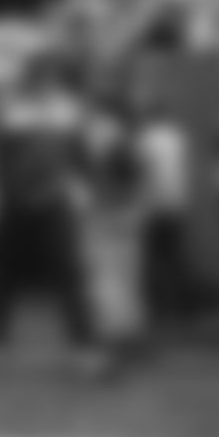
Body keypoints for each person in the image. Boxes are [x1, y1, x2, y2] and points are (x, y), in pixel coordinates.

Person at [0, 56, 96, 365]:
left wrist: (83, 185)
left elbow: (80, 152)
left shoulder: (68, 108)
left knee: (70, 271)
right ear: (29, 79)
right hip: (12, 199)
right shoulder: (10, 107)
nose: (44, 83)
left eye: (49, 78)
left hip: (54, 199)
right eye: (38, 77)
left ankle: (84, 346)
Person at [75, 103, 148, 376]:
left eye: (100, 127)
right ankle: (118, 347)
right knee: (114, 286)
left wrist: (128, 211)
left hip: (110, 221)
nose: (94, 133)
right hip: (108, 221)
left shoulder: (119, 153)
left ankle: (110, 352)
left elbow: (133, 187)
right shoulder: (115, 152)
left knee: (109, 287)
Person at [135, 99, 193, 331]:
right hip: (176, 203)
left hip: (153, 206)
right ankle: (179, 306)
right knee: (174, 256)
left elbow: (142, 173)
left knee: (153, 259)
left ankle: (159, 308)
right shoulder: (177, 138)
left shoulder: (144, 140)